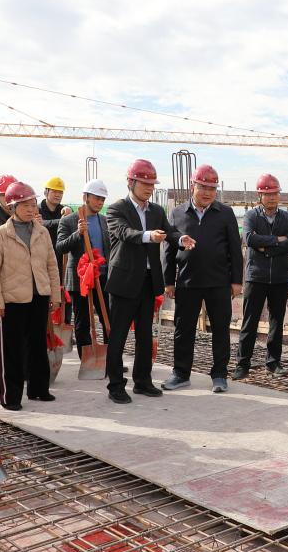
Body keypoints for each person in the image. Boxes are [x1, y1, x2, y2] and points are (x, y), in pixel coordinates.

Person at [105, 159, 193, 404]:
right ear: (131, 182)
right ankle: (116, 386)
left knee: (145, 334)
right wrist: (148, 236)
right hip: (124, 282)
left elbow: (169, 231)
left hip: (147, 281)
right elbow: (124, 233)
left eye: (152, 184)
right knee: (118, 336)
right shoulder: (116, 209)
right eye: (144, 183)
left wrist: (181, 238)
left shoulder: (156, 211)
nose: (149, 188)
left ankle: (142, 381)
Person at [163, 165, 242, 393]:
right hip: (187, 281)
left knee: (221, 329)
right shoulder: (177, 213)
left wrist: (236, 280)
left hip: (219, 282)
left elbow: (235, 249)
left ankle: (219, 375)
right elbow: (168, 249)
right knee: (183, 329)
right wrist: (168, 281)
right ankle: (180, 373)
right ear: (192, 186)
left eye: (212, 188)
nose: (207, 192)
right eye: (203, 187)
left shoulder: (225, 213)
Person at [0, 182, 61, 409]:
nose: (31, 209)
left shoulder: (42, 232)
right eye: (25, 205)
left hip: (39, 295)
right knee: (11, 350)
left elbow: (52, 265)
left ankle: (39, 389)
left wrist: (55, 294)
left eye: (33, 204)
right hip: (12, 300)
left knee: (38, 344)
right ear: (12, 207)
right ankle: (11, 397)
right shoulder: (1, 234)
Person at [235, 173, 288, 380]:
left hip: (279, 278)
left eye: (275, 194)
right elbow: (249, 239)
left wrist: (266, 247)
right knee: (250, 322)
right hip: (256, 277)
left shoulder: (287, 218)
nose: (271, 198)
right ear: (259, 196)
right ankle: (242, 364)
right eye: (267, 194)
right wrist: (277, 240)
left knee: (276, 322)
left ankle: (273, 362)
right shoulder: (251, 216)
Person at [56, 180, 111, 358]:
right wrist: (77, 234)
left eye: (102, 199)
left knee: (108, 318)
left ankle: (111, 359)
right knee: (83, 322)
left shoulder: (104, 221)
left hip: (102, 276)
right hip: (80, 279)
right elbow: (60, 247)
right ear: (85, 197)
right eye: (96, 198)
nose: (100, 202)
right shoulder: (69, 221)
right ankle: (87, 360)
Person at [39, 177, 72, 284]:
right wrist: (62, 221)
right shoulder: (37, 209)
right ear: (46, 192)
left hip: (60, 256)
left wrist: (69, 211)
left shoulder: (63, 210)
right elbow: (40, 224)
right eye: (54, 191)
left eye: (60, 192)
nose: (58, 195)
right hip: (42, 256)